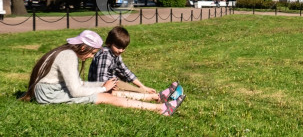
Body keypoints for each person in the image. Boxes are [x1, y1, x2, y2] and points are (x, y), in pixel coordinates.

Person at [21, 29, 184, 116]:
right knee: (107, 97)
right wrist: (103, 89)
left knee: (104, 88)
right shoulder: (69, 56)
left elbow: (76, 85)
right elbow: (76, 91)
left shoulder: (64, 51)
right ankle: (160, 108)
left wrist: (102, 86)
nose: (92, 57)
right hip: (49, 94)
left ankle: (153, 98)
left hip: (47, 90)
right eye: (92, 53)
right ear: (84, 47)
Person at [89, 27, 179, 102]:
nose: (121, 50)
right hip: (103, 88)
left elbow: (126, 71)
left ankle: (157, 95)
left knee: (136, 90)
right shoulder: (105, 55)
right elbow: (100, 80)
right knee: (132, 92)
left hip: (112, 84)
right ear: (109, 43)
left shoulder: (115, 54)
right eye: (118, 47)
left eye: (123, 48)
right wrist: (110, 88)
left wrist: (144, 87)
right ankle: (158, 97)